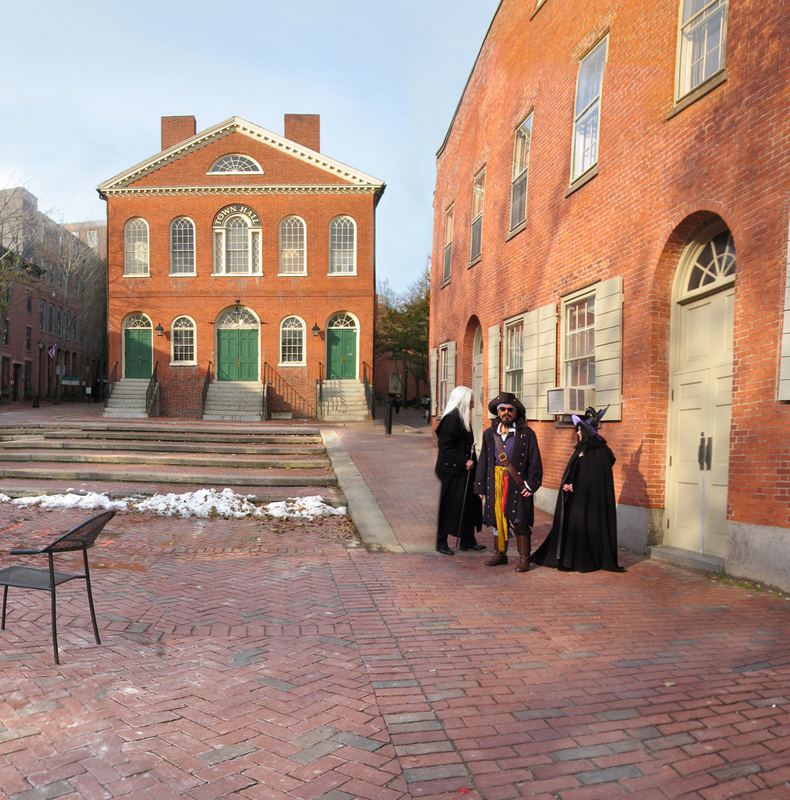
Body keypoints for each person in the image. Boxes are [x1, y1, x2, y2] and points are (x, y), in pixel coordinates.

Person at [532, 406, 623, 572]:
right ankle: (569, 559)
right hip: (576, 500)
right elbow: (574, 471)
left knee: (586, 528)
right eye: (578, 430)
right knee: (573, 527)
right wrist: (568, 483)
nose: (578, 433)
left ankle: (583, 560)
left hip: (591, 503)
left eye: (580, 430)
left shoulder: (601, 453)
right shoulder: (581, 450)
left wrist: (577, 485)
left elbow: (594, 479)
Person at [474, 391, 542, 572]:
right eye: (502, 409)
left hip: (517, 484)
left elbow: (535, 461)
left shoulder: (527, 434)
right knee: (497, 518)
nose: (506, 412)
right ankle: (500, 554)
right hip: (495, 482)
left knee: (520, 519)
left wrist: (531, 484)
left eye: (510, 410)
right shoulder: (489, 434)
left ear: (515, 413)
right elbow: (484, 460)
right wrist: (480, 486)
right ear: (498, 412)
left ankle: (524, 558)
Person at [434, 385, 485, 555]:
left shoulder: (461, 418)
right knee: (447, 506)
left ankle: (467, 540)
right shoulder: (451, 419)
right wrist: (463, 461)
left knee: (468, 503)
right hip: (451, 472)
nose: (473, 405)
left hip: (464, 471)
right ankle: (441, 542)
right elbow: (445, 446)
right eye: (471, 401)